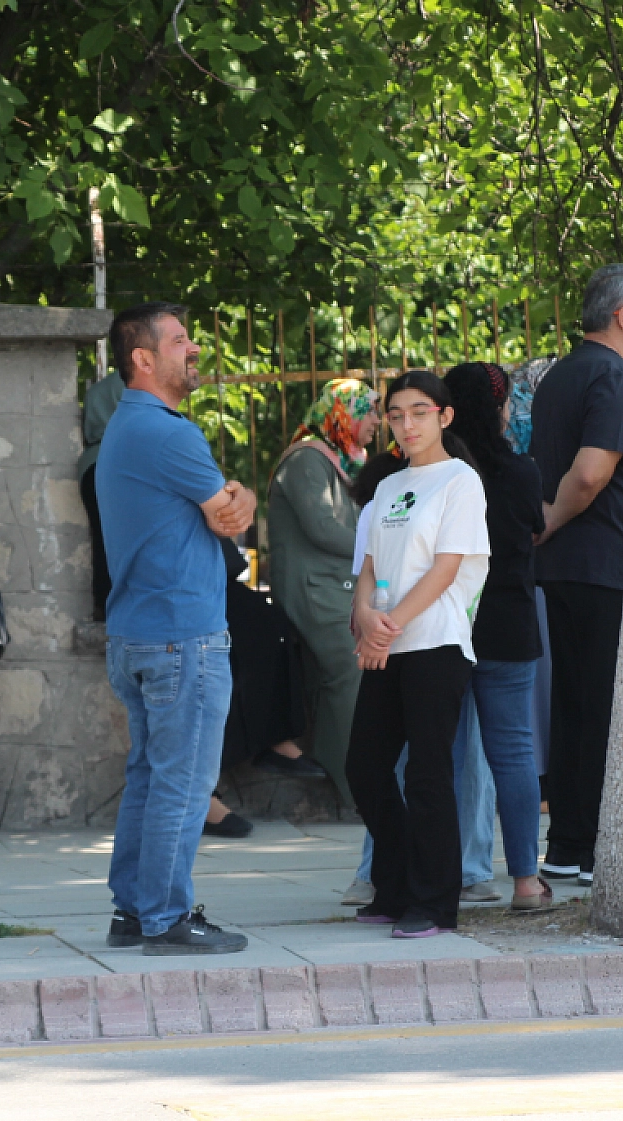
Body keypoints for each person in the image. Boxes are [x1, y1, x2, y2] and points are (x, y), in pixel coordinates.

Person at [98, 302, 255, 955]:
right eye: (180, 340)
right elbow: (230, 517)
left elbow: (220, 510)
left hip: (141, 632)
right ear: (143, 358)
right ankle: (164, 916)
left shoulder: (127, 427)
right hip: (180, 635)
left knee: (150, 774)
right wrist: (237, 494)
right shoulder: (168, 433)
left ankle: (134, 909)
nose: (193, 349)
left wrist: (228, 498)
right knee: (183, 781)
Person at [347, 370, 491, 939]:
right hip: (387, 642)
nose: (407, 425)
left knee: (429, 776)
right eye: (397, 414)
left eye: (420, 412)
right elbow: (371, 569)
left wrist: (391, 625)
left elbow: (447, 567)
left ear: (444, 416)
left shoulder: (460, 481)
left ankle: (434, 903)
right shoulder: (387, 487)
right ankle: (397, 883)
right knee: (364, 766)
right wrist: (366, 618)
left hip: (434, 643)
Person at [529, 263, 623, 885]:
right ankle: (594, 847)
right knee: (601, 708)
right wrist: (552, 517)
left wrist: (548, 528)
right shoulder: (613, 374)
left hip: (564, 569)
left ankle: (567, 842)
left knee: (571, 706)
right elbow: (592, 472)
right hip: (602, 562)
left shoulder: (559, 374)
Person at [444, 362, 553, 911]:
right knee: (513, 753)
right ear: (499, 408)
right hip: (509, 622)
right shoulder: (521, 471)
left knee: (444, 752)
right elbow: (534, 530)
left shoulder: (439, 473)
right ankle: (526, 883)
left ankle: (444, 874)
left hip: (447, 623)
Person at [266, 378, 380, 798]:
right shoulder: (306, 460)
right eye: (367, 411)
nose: (377, 421)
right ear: (341, 412)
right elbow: (322, 528)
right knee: (350, 666)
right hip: (312, 590)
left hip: (337, 587)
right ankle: (352, 784)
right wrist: (384, 547)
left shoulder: (344, 459)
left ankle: (356, 775)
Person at [204, 538, 316, 840]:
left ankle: (275, 735)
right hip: (165, 581)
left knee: (269, 622)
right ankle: (202, 797)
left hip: (200, 573)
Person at [77, 371, 124, 620]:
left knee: (102, 536)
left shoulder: (89, 462)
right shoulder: (131, 384)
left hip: (94, 465)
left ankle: (103, 601)